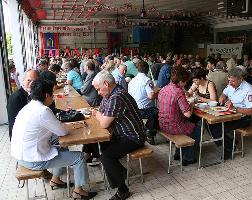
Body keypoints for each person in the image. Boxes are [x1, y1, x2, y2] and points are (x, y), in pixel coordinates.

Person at [11, 79, 97, 199]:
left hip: (21, 155)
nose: (53, 96)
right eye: (52, 93)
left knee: (60, 143)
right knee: (79, 157)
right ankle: (79, 191)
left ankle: (55, 179)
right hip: (33, 159)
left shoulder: (28, 107)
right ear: (47, 95)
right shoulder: (43, 110)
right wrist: (71, 125)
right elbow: (62, 131)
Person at [92, 70, 146, 200]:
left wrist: (98, 115)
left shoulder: (117, 97)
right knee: (96, 144)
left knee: (106, 157)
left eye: (99, 89)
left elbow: (104, 122)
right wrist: (100, 114)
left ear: (106, 84)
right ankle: (120, 171)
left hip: (133, 137)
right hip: (122, 134)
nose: (98, 93)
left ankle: (123, 190)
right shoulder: (110, 95)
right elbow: (102, 111)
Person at [208, 67, 252, 159]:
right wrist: (222, 97)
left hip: (243, 118)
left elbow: (250, 111)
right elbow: (224, 94)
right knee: (209, 124)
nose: (230, 83)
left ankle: (229, 148)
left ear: (241, 79)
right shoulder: (230, 85)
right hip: (229, 114)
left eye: (232, 81)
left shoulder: (249, 89)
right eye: (229, 81)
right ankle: (230, 144)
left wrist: (234, 108)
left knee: (217, 127)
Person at [158, 66, 200, 166]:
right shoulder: (178, 92)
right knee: (196, 129)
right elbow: (188, 114)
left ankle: (178, 153)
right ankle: (188, 157)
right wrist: (191, 105)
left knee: (187, 126)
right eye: (185, 82)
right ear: (181, 81)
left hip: (162, 124)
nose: (186, 84)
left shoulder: (164, 89)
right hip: (173, 126)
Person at [7, 69, 39, 141]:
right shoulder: (15, 98)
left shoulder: (33, 94)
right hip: (22, 139)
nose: (32, 84)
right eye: (29, 80)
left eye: (35, 81)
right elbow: (13, 124)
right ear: (23, 80)